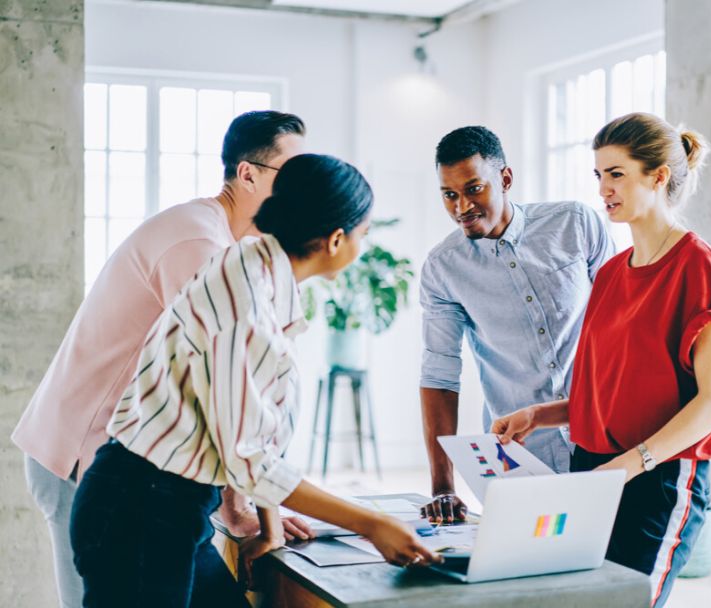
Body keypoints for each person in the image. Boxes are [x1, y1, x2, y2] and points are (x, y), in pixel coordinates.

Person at [69, 154, 441, 608]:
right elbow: (252, 463)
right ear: (336, 239)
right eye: (364, 233)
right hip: (139, 507)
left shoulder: (255, 266)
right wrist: (372, 524)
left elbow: (252, 432)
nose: (362, 244)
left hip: (170, 504)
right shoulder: (248, 305)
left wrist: (271, 528)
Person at [12, 110, 307, 608]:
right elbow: (223, 390)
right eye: (292, 174)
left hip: (139, 471)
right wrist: (240, 512)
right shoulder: (199, 242)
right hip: (82, 459)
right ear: (248, 173)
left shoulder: (224, 240)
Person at [493, 112, 711, 607]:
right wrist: (541, 415)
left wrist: (632, 464)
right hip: (596, 470)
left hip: (658, 477)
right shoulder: (609, 275)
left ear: (659, 176)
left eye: (617, 174)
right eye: (599, 175)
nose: (603, 188)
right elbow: (608, 387)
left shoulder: (698, 266)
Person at [419, 126, 615, 523]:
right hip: (519, 456)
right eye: (449, 195)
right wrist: (443, 487)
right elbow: (440, 374)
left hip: (602, 438)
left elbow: (619, 320)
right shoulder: (444, 268)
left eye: (474, 189)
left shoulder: (574, 224)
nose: (461, 207)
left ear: (505, 179)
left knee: (609, 572)